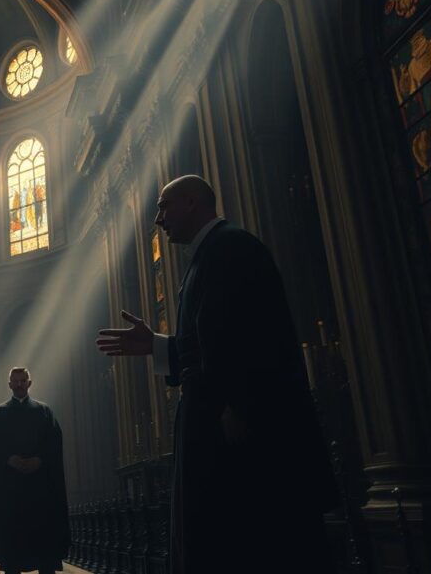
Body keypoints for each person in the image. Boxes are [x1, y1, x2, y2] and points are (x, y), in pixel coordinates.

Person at [95, 175, 337, 574]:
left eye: (164, 206)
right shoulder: (210, 254)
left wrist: (236, 404)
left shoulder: (231, 248)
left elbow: (246, 337)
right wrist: (156, 344)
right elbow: (208, 342)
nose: (158, 219)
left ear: (192, 203)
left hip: (236, 426)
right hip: (217, 413)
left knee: (245, 542)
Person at [0, 367, 69, 574]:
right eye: (16, 381)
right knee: (13, 549)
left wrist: (40, 459)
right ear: (9, 384)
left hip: (41, 489)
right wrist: (9, 459)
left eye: (23, 380)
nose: (19, 384)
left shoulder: (44, 411)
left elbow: (54, 443)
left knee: (44, 548)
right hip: (11, 491)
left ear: (29, 383)